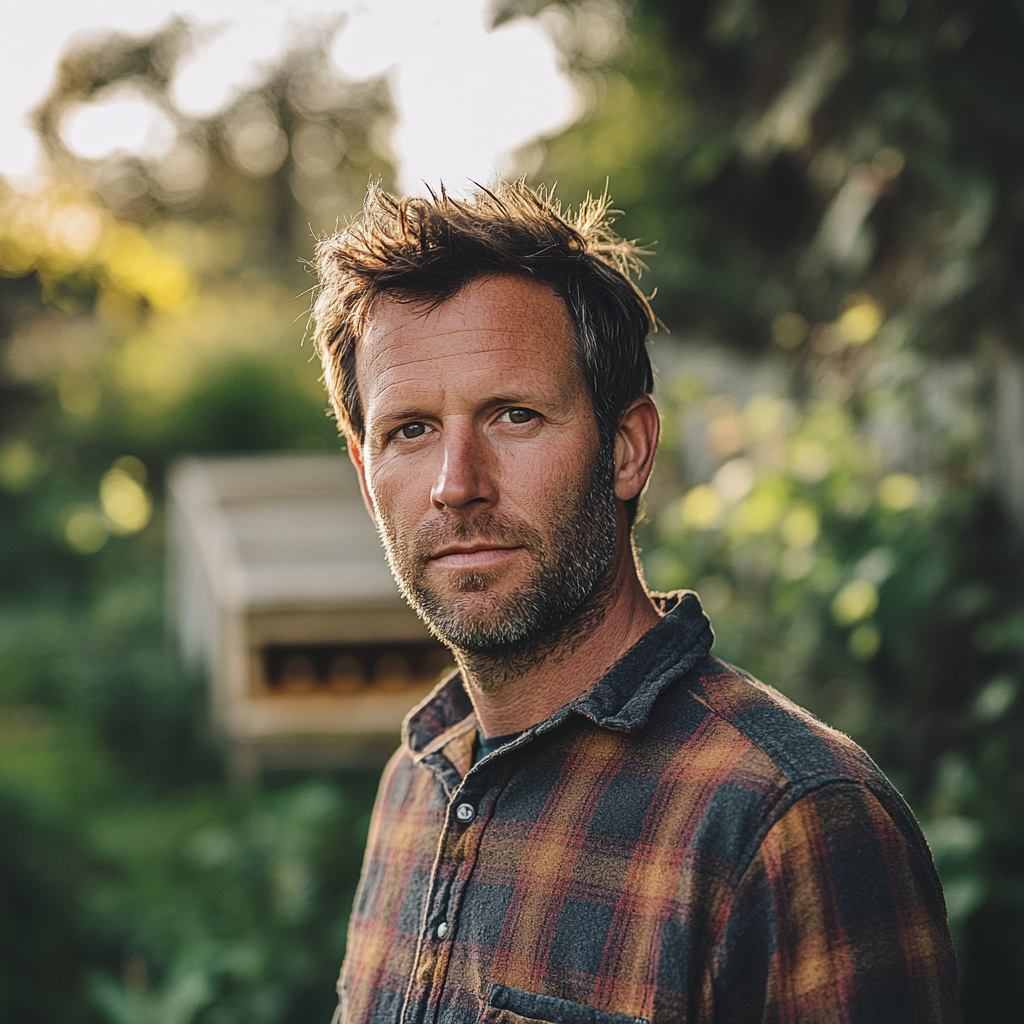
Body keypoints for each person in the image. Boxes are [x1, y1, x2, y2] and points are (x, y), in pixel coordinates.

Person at [311, 180, 962, 1024]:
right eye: (412, 430)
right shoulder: (415, 783)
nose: (455, 485)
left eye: (513, 416)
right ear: (369, 483)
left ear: (625, 450)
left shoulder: (789, 820)